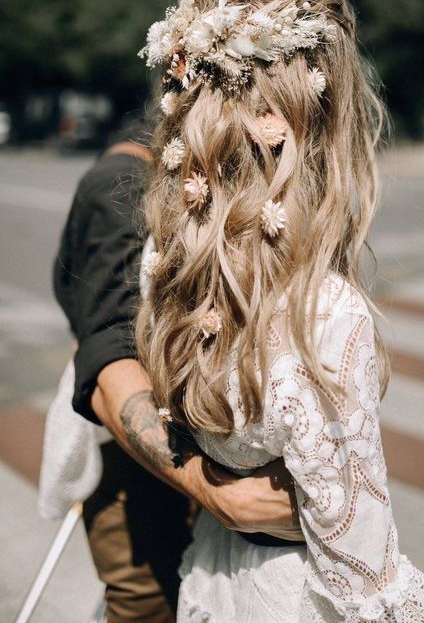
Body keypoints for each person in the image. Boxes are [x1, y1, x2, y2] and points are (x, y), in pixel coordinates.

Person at [134, 0, 424, 622]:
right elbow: (362, 583)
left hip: (214, 578)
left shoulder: (169, 255)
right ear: (318, 115)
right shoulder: (321, 314)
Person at [53, 115, 301, 623]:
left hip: (206, 436)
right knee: (149, 603)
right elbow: (109, 359)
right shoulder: (117, 189)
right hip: (135, 454)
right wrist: (215, 489)